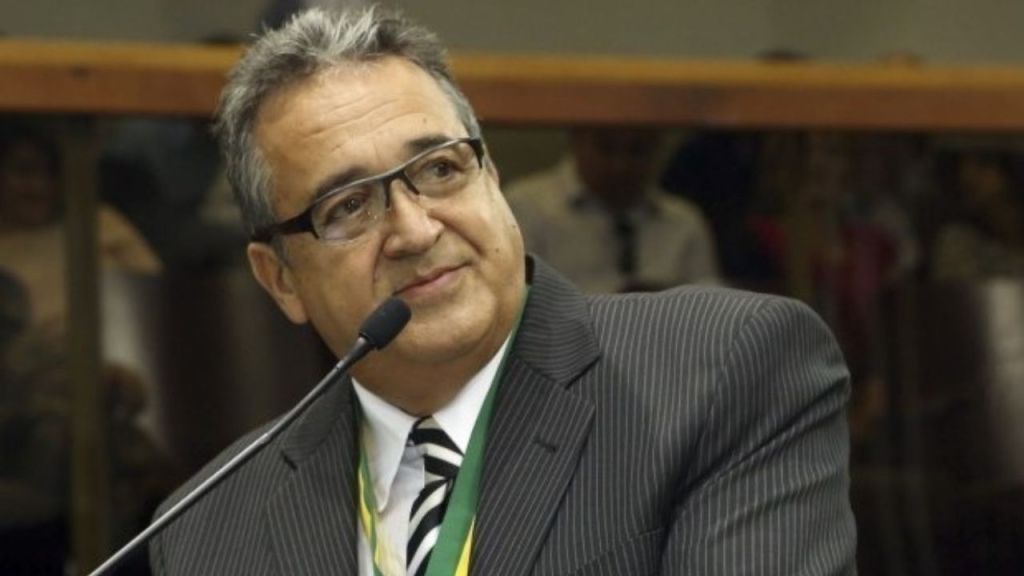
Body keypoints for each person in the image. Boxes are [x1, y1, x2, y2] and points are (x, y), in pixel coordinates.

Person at [148, 7, 856, 575]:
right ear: (280, 279)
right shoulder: (208, 528)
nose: (415, 229)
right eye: (349, 207)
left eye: (440, 169)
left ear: (490, 176)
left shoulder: (724, 370)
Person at [506, 126, 719, 293]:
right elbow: (515, 301)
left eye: (637, 151)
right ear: (577, 140)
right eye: (606, 148)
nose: (620, 165)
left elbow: (710, 306)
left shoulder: (684, 221)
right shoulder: (528, 207)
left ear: (658, 149)